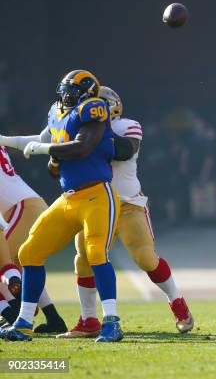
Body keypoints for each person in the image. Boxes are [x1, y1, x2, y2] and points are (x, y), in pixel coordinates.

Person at [57, 86, 193, 338]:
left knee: (145, 258)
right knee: (84, 259)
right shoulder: (74, 128)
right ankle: (88, 320)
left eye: (95, 105)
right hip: (94, 204)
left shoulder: (127, 126)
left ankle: (178, 303)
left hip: (127, 202)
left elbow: (123, 150)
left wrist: (87, 141)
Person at [0, 70, 123, 342]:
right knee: (30, 252)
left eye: (72, 91)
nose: (66, 96)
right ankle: (23, 322)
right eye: (64, 90)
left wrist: (43, 151)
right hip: (69, 198)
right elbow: (43, 139)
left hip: (96, 195)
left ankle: (111, 322)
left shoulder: (94, 109)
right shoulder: (58, 112)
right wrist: (5, 140)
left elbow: (82, 147)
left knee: (95, 253)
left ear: (88, 92)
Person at [0, 146, 67, 333]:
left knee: (7, 267)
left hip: (22, 208)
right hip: (27, 206)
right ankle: (54, 319)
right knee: (25, 266)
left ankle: (12, 316)